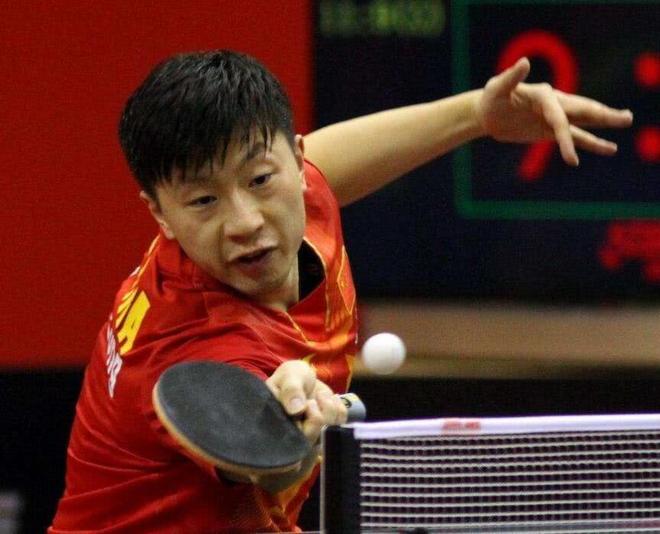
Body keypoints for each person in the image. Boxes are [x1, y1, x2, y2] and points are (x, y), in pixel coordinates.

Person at [49, 50, 632, 533]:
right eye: (204, 201)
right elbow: (268, 460)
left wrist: (478, 113)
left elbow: (330, 159)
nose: (245, 221)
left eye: (260, 179)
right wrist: (293, 417)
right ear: (161, 215)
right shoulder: (190, 350)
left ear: (297, 160)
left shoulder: (299, 200)